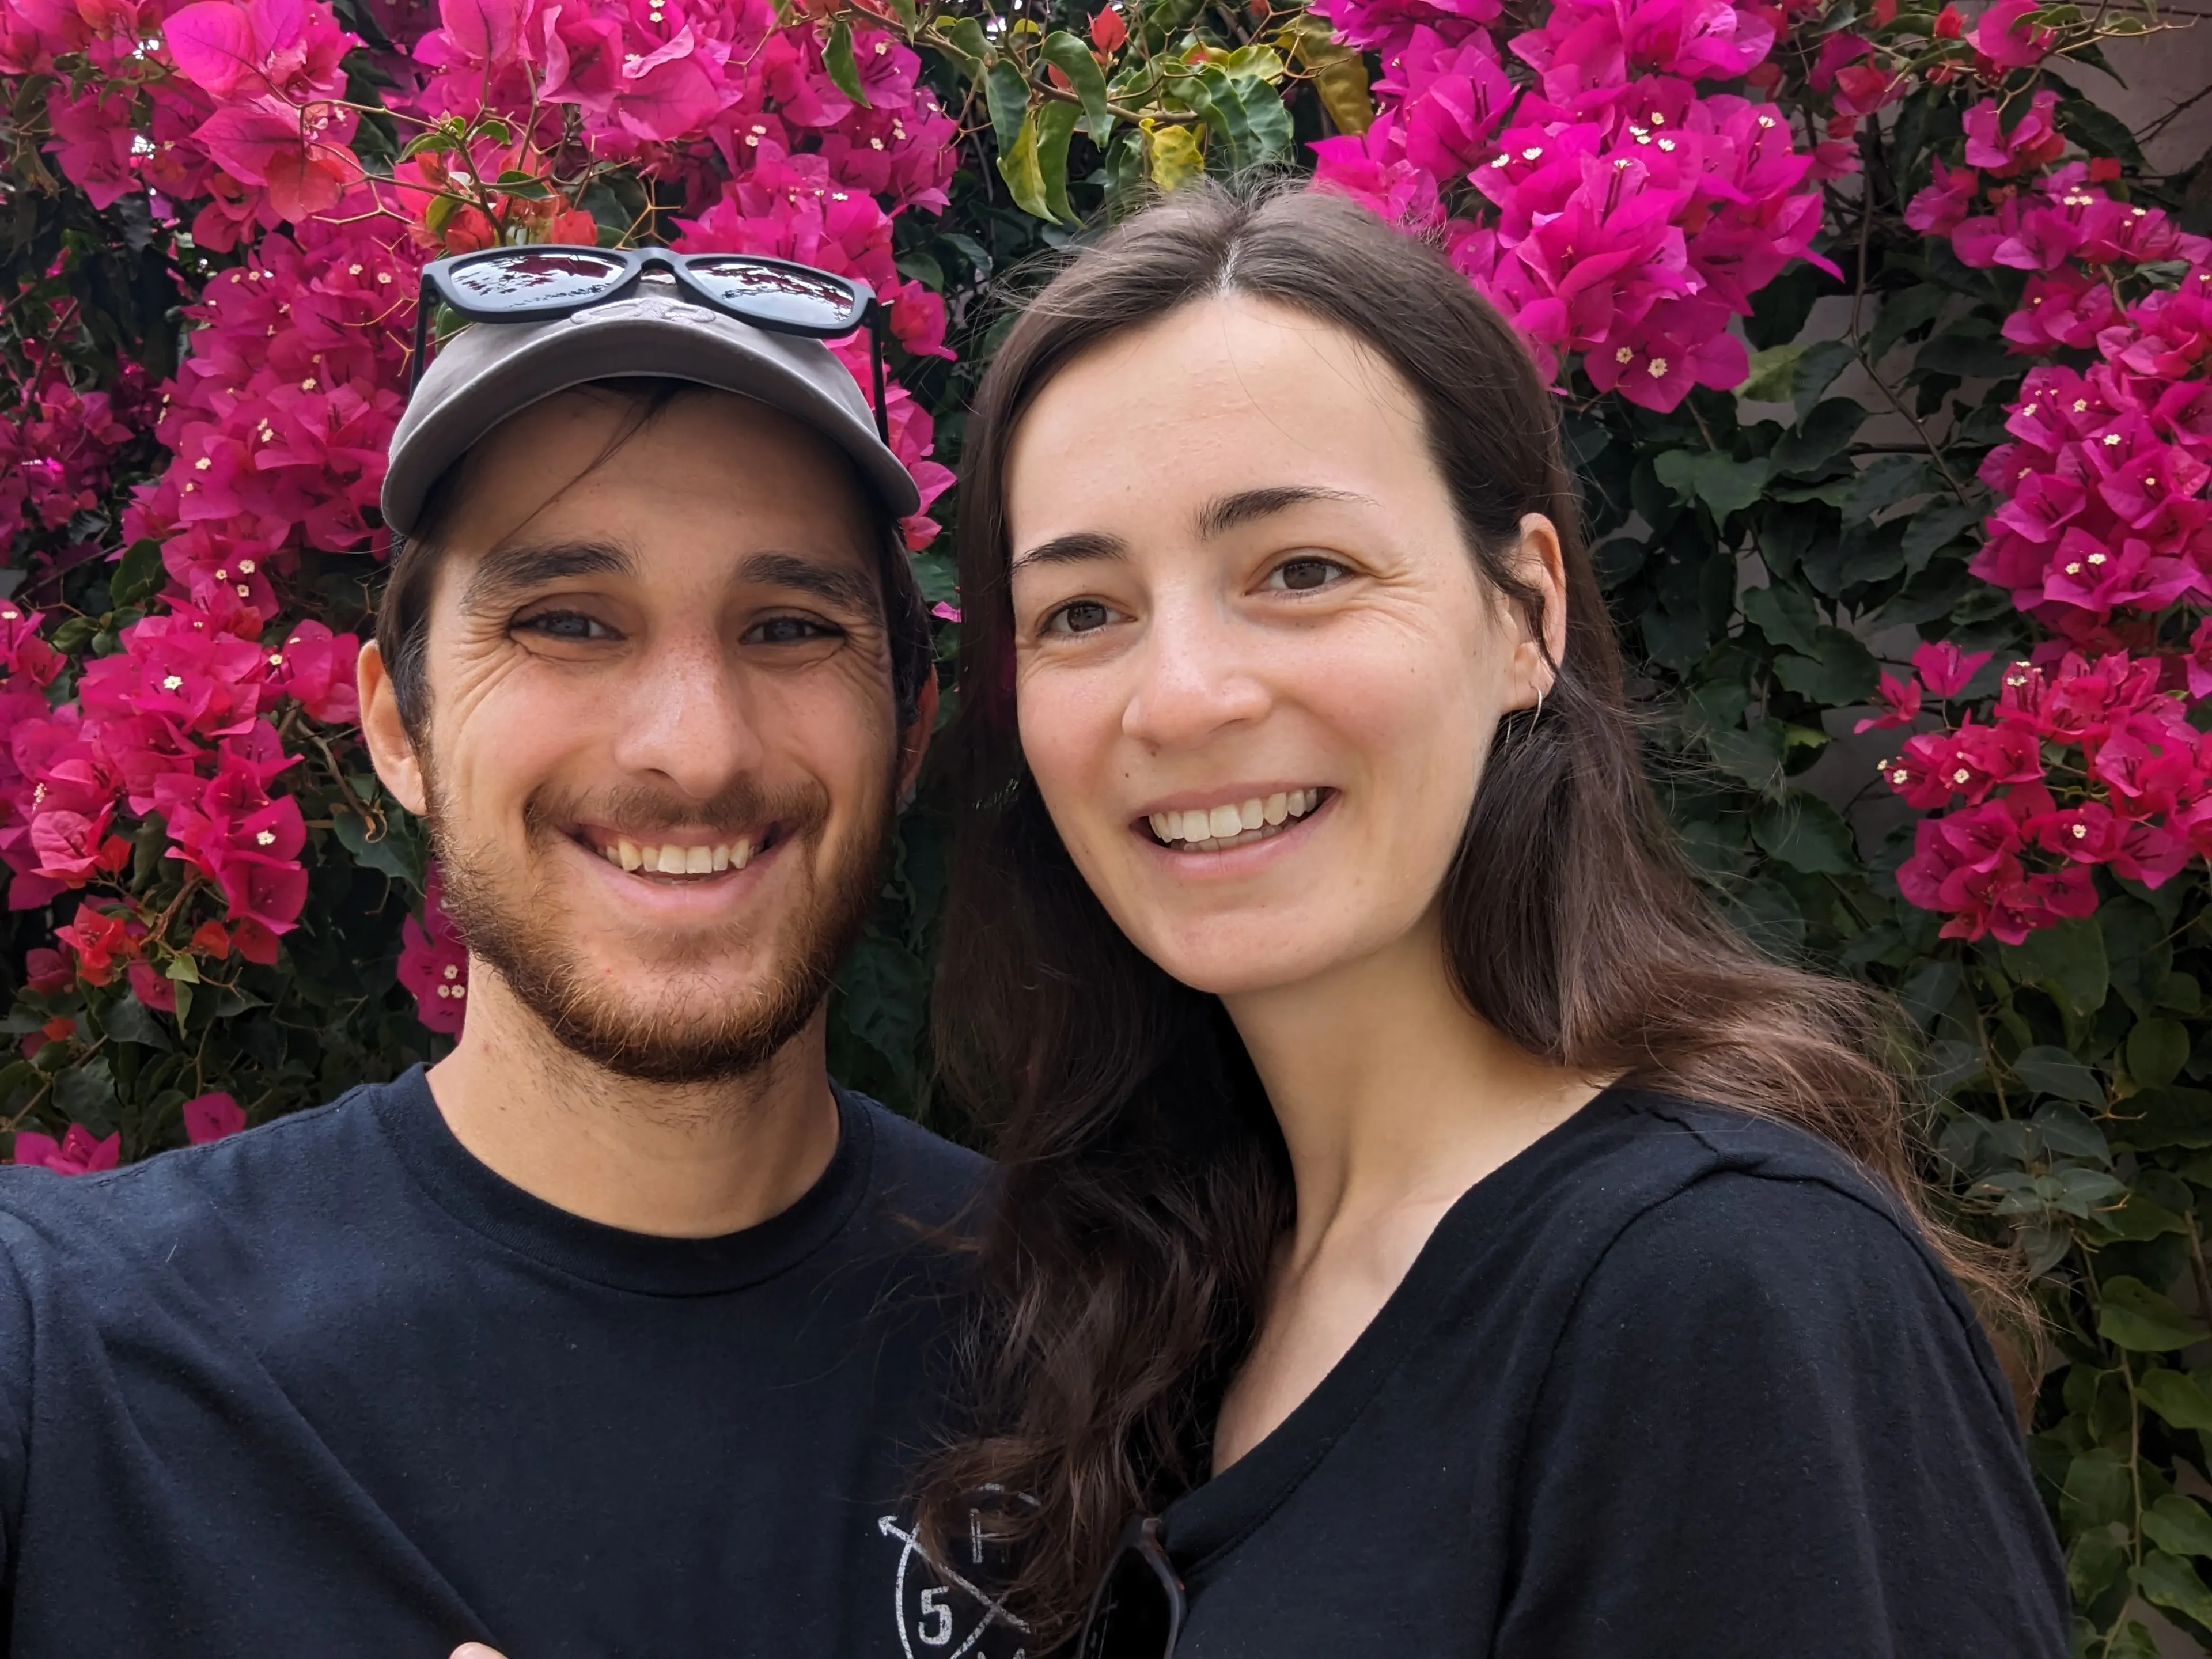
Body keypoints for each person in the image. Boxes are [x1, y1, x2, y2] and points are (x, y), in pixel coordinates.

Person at [913, 185, 2071, 1657]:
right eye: (1082, 611)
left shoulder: (1721, 1290)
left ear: (1525, 614)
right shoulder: (1158, 1285)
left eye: (1304, 571)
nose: (1182, 697)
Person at [0, 255, 1014, 1657]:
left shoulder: (1106, 1336)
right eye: (566, 622)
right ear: (398, 728)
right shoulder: (62, 1343)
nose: (693, 749)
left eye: (789, 629)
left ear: (907, 736)